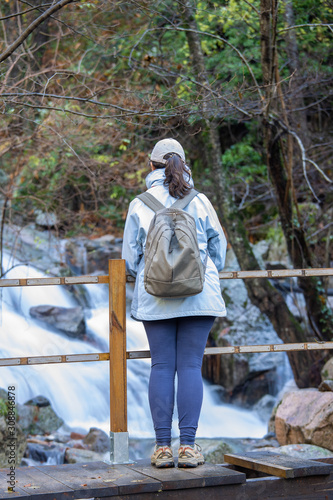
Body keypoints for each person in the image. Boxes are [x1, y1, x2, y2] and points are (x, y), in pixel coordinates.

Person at [122, 138, 227, 468]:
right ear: (184, 164)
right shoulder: (200, 201)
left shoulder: (140, 203)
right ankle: (189, 448)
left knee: (162, 366)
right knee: (191, 366)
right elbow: (219, 249)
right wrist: (201, 272)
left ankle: (163, 449)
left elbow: (128, 260)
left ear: (151, 166)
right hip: (199, 294)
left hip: (155, 296)